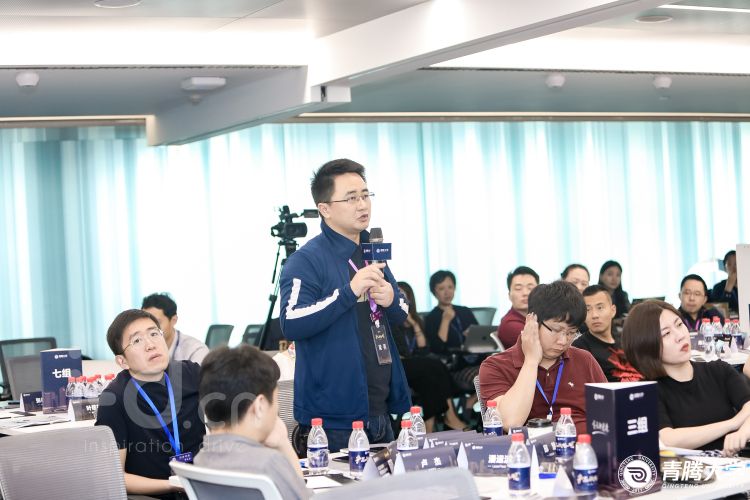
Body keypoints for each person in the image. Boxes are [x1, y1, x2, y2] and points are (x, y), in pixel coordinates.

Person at [279, 158, 411, 453]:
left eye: (365, 195)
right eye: (351, 198)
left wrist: (391, 299)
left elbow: (401, 311)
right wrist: (348, 292)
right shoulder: (305, 261)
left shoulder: (371, 249)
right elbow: (291, 321)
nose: (362, 205)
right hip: (333, 420)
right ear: (325, 208)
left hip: (380, 409)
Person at [96, 309, 205, 499]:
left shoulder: (190, 373)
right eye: (137, 340)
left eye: (154, 333)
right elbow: (115, 477)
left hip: (204, 488)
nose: (150, 345)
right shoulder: (113, 399)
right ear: (122, 361)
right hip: (156, 495)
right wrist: (173, 485)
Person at [622, 300, 750, 455]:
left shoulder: (719, 370)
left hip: (735, 464)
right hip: (684, 468)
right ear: (647, 346)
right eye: (666, 333)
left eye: (679, 324)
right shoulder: (646, 392)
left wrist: (743, 432)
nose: (680, 336)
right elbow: (668, 439)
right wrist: (733, 423)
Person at [479, 281, 606, 434]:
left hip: (584, 445)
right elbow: (510, 422)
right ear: (532, 322)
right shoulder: (496, 366)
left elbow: (609, 413)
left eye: (571, 332)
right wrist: (531, 361)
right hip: (528, 448)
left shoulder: (584, 360)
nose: (563, 341)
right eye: (555, 330)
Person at [194, 345, 308, 499]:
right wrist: (284, 444)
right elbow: (304, 497)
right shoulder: (268, 463)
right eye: (276, 400)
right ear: (260, 406)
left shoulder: (201, 459)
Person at [392, 281, 466, 431]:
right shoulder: (390, 321)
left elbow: (424, 350)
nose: (400, 298)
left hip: (418, 368)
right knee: (434, 364)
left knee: (428, 379)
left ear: (409, 299)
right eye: (397, 295)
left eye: (404, 296)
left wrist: (414, 325)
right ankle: (450, 417)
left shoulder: (416, 320)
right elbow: (403, 353)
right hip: (400, 366)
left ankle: (429, 427)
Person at [572, 285, 642, 382]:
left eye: (600, 308)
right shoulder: (579, 348)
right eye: (588, 310)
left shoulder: (628, 340)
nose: (594, 315)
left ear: (613, 311)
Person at [142, 293, 209, 364]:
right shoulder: (139, 348)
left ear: (173, 320)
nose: (150, 329)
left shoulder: (195, 350)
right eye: (146, 323)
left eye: (157, 323)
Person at [424, 270, 479, 353]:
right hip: (450, 358)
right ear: (434, 292)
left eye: (450, 287)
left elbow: (480, 338)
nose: (447, 292)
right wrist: (445, 320)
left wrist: (471, 335)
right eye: (441, 288)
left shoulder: (465, 311)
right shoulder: (431, 318)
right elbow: (437, 348)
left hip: (473, 355)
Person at [497, 266, 539, 349]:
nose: (525, 293)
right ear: (509, 295)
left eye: (530, 288)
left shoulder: (540, 317)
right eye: (518, 288)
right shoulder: (510, 325)